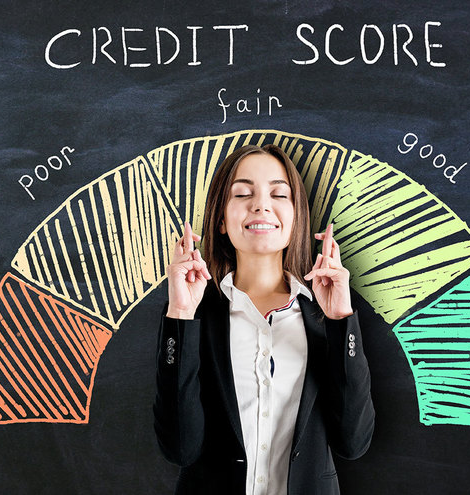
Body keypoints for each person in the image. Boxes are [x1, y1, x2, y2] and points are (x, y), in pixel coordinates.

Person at [153, 144, 375, 495]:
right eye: (243, 193)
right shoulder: (196, 314)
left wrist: (341, 319)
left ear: (295, 215)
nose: (261, 204)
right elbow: (179, 447)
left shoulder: (323, 313)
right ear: (221, 220)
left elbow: (354, 442)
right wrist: (180, 313)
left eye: (278, 193)